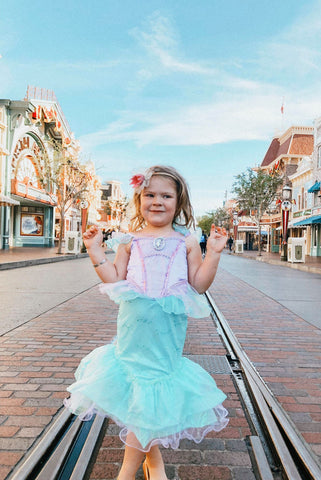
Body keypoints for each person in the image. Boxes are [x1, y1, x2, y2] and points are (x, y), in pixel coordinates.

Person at [64, 165, 229, 480]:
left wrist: (214, 255)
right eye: (150, 195)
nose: (157, 201)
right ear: (139, 199)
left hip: (166, 335)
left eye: (166, 195)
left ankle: (133, 470)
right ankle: (152, 465)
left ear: (178, 202)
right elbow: (114, 277)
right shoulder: (130, 240)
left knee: (150, 391)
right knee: (141, 395)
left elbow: (199, 284)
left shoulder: (187, 240)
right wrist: (94, 250)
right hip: (133, 330)